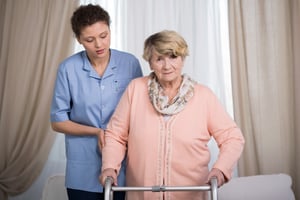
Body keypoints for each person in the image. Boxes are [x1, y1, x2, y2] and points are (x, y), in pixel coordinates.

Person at [99, 30, 245, 200]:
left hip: (191, 194)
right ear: (150, 63)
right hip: (143, 194)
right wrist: (109, 167)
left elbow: (232, 138)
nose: (167, 66)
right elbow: (116, 135)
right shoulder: (136, 89)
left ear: (182, 59)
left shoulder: (203, 96)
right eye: (159, 59)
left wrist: (220, 169)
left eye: (173, 57)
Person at [50, 4, 143, 200]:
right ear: (79, 40)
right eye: (90, 40)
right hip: (82, 169)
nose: (99, 45)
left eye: (104, 35)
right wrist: (96, 131)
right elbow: (57, 121)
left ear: (110, 30)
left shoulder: (130, 64)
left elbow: (140, 113)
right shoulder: (68, 69)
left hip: (122, 166)